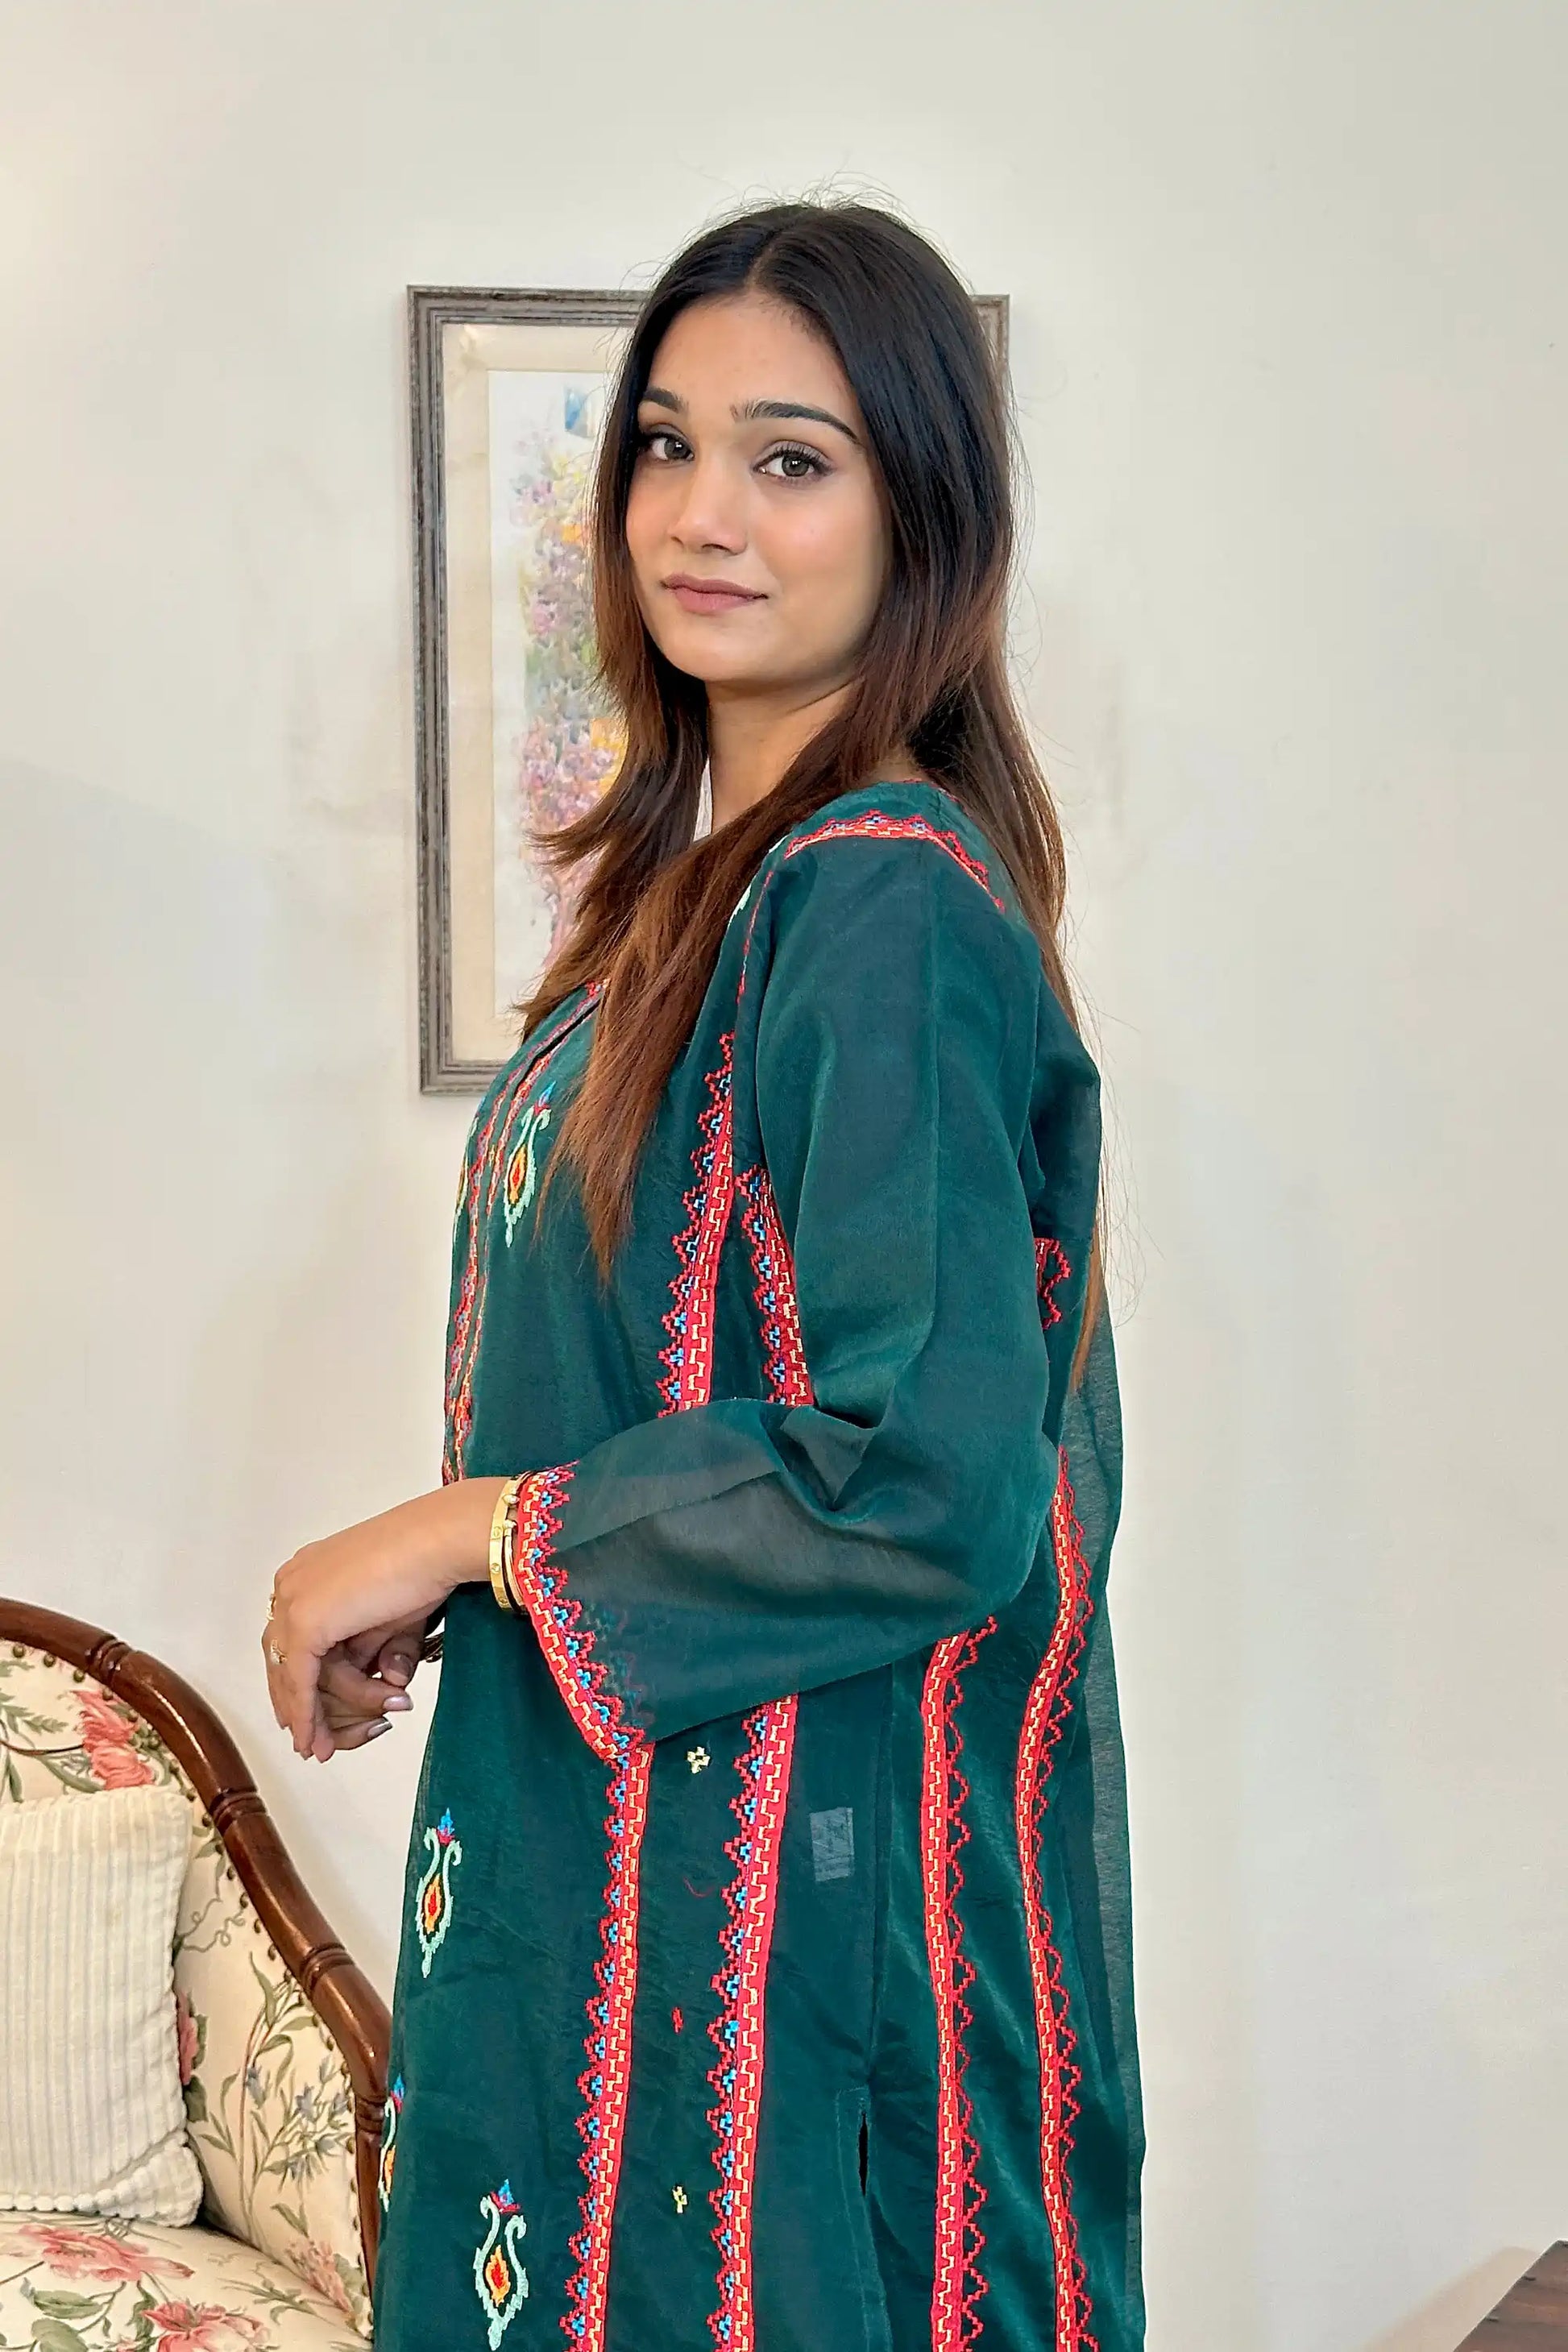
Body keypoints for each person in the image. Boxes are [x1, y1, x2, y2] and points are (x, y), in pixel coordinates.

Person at [263, 197, 1145, 2352]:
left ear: (920, 515)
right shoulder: (697, 907)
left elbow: (925, 1476)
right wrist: (477, 1579)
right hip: (620, 1884)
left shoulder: (878, 899)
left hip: (789, 1956)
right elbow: (674, 1394)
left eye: (791, 458)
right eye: (664, 443)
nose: (700, 513)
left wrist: (467, 1530)